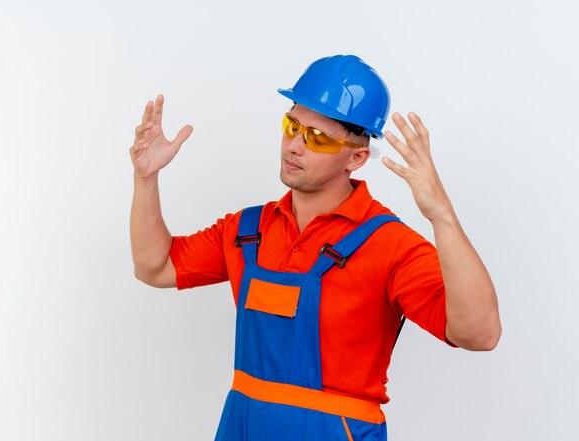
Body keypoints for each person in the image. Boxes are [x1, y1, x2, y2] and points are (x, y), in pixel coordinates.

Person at [129, 55, 501, 440]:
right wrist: (146, 178)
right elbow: (154, 267)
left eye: (318, 138)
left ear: (356, 158)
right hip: (242, 425)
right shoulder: (247, 231)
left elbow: (480, 334)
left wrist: (441, 215)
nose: (294, 145)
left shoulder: (390, 245)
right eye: (292, 125)